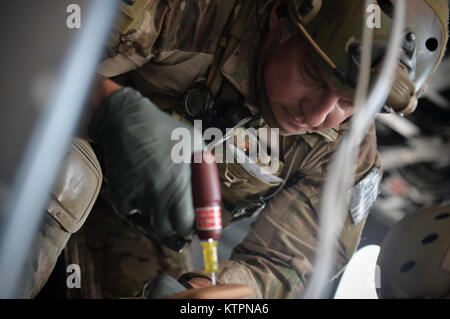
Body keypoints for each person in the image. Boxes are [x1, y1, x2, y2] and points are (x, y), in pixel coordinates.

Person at [23, 0, 449, 298]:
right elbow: (27, 47)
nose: (319, 114)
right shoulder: (196, 10)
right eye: (314, 76)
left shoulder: (348, 156)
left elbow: (284, 264)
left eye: (348, 104)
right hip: (49, 149)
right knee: (68, 179)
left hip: (145, 232)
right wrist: (105, 107)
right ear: (282, 15)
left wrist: (205, 292)